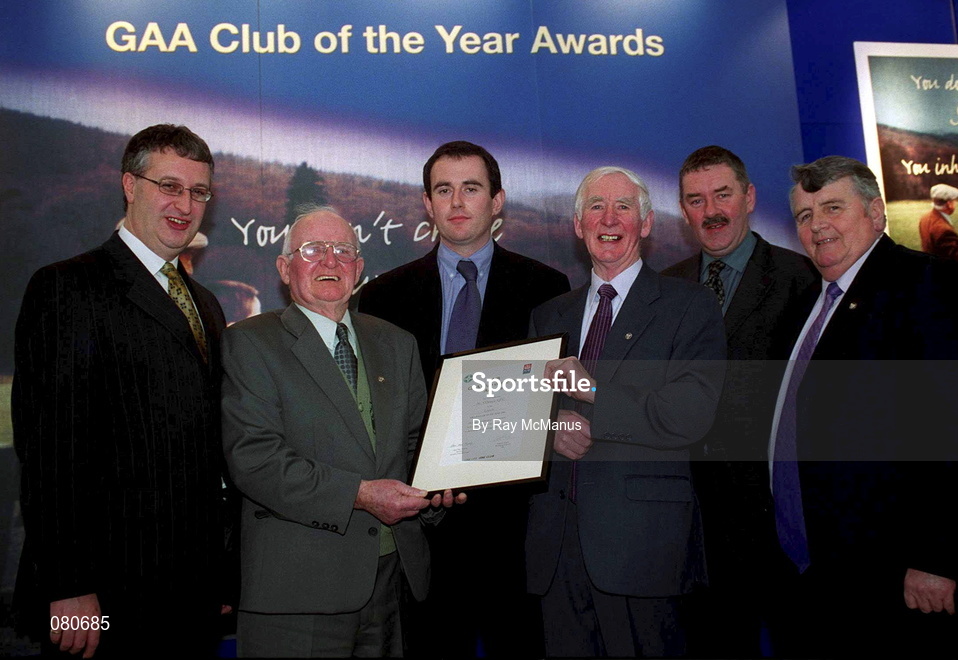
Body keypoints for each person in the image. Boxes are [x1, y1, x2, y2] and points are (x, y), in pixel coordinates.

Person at [770, 156, 958, 656]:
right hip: (821, 579)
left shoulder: (929, 286)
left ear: (877, 212)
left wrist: (939, 557)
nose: (818, 225)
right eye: (805, 216)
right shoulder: (803, 307)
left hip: (904, 581)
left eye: (833, 207)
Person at [12, 124, 228, 657]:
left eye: (198, 192)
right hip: (102, 599)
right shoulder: (68, 287)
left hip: (191, 592)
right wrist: (68, 586)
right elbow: (50, 451)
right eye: (169, 186)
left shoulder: (205, 303)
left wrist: (221, 573)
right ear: (130, 186)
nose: (185, 204)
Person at [221, 206, 463, 657]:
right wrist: (363, 494)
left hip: (393, 584)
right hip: (298, 593)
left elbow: (415, 447)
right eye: (312, 250)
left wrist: (439, 490)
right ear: (284, 266)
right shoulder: (251, 342)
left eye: (343, 251)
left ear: (359, 267)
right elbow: (255, 459)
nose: (329, 261)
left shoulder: (396, 342)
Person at [358, 140, 569, 657]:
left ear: (497, 201)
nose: (457, 202)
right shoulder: (384, 296)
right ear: (427, 205)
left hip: (516, 527)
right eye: (443, 190)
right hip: (422, 528)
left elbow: (559, 399)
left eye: (471, 188)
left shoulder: (548, 288)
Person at [525, 166, 726, 657]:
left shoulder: (690, 306)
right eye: (595, 206)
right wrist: (548, 429)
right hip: (557, 549)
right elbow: (521, 412)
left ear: (648, 222)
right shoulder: (548, 315)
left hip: (644, 549)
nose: (608, 218)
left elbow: (690, 415)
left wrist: (592, 391)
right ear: (578, 226)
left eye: (623, 207)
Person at [661, 145, 818, 657]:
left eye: (723, 194)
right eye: (697, 200)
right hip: (696, 530)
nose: (712, 211)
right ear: (684, 210)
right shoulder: (665, 290)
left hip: (780, 524)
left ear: (749, 197)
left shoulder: (804, 280)